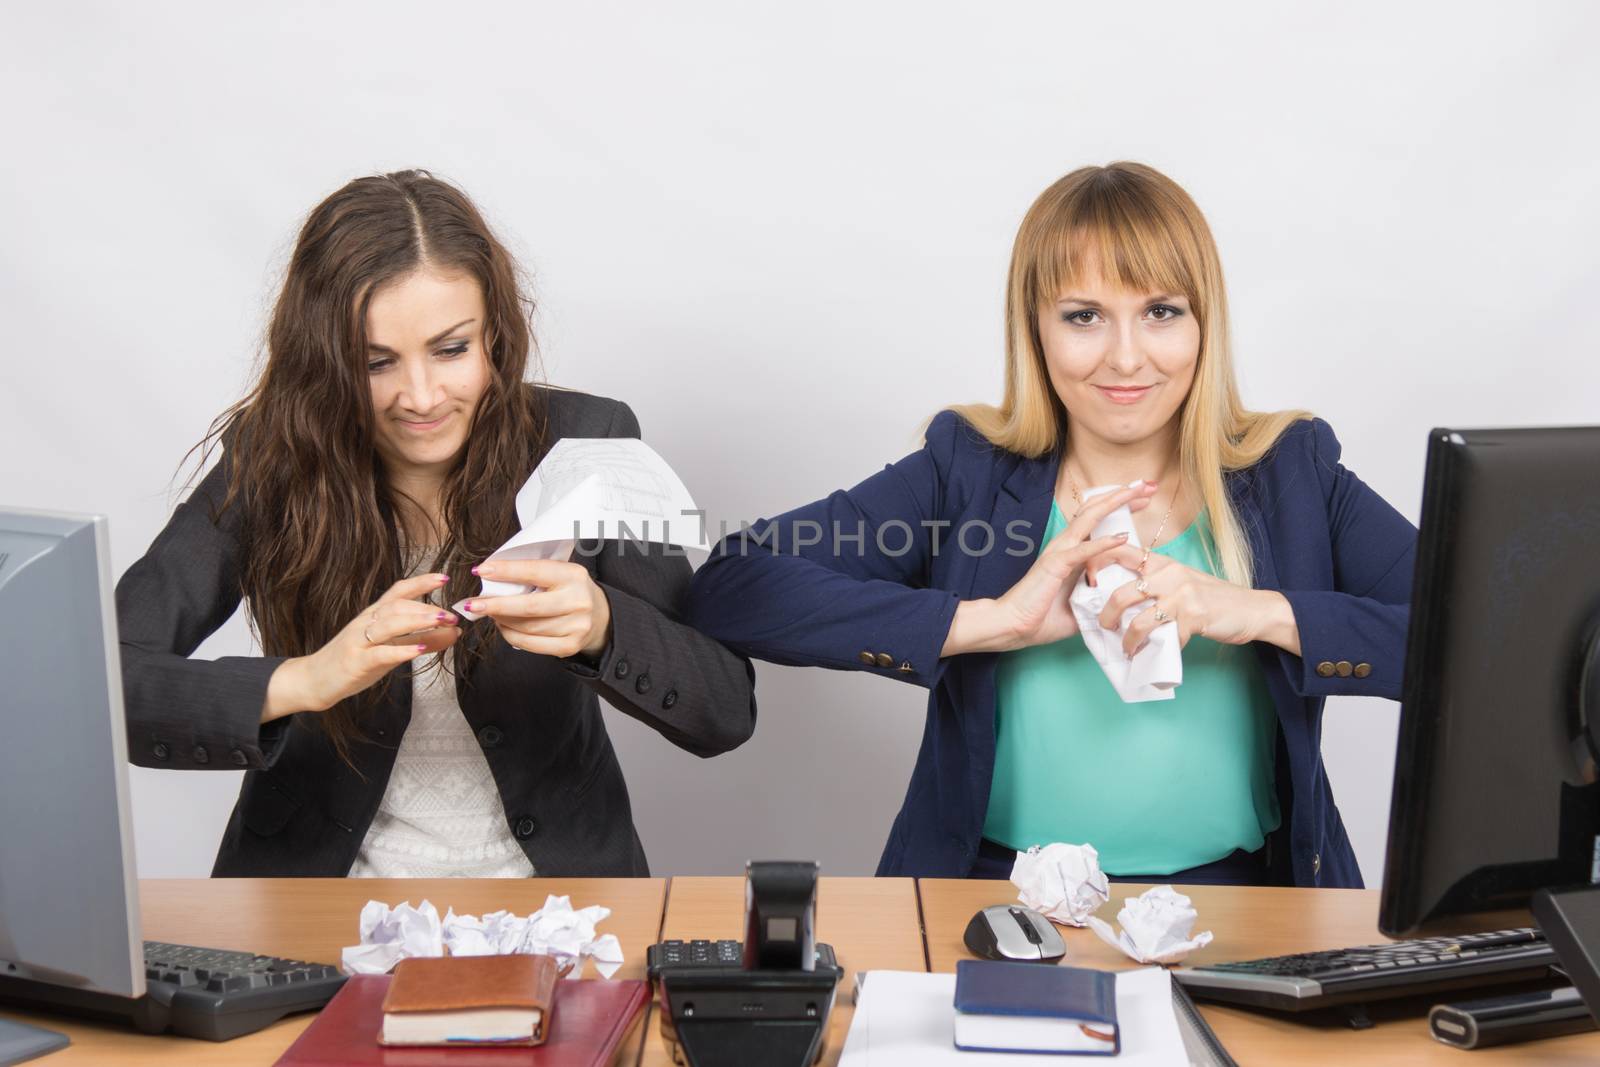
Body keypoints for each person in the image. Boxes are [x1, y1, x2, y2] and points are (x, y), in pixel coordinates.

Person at [686, 162, 1414, 887]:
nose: (1126, 356)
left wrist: (1254, 610)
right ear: (1034, 328)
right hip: (995, 900)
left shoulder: (1289, 475)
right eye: (1083, 316)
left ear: (1205, 322)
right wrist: (993, 622)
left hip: (1245, 901)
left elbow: (1473, 637)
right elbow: (733, 584)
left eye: (1161, 310)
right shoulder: (965, 476)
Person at [117, 170, 755, 878]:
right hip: (316, 905)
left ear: (496, 336)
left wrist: (605, 625)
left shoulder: (589, 441)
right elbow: (104, 678)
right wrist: (306, 679)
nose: (420, 397)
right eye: (374, 362)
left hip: (555, 904)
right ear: (323, 363)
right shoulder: (272, 457)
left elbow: (723, 708)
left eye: (451, 349)